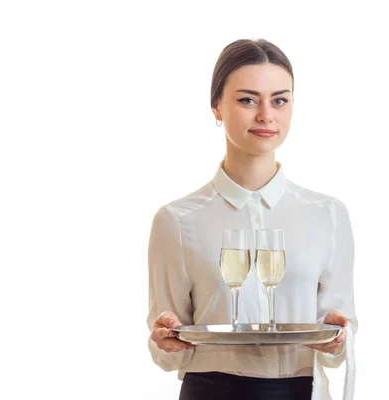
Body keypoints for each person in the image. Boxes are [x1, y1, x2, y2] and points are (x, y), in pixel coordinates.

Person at [147, 38, 357, 400]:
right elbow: (165, 348)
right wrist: (164, 340)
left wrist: (337, 338)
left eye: (280, 100)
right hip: (211, 390)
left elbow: (341, 336)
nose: (266, 115)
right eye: (247, 100)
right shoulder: (177, 220)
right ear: (216, 107)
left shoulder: (328, 214)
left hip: (299, 390)